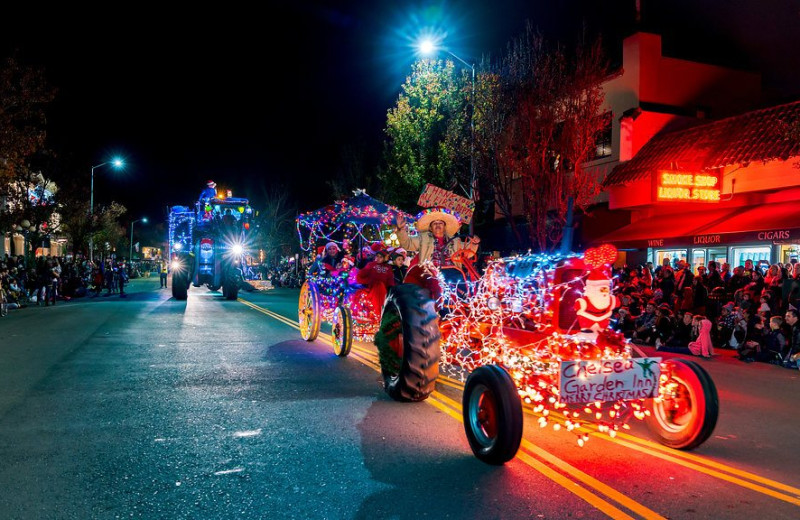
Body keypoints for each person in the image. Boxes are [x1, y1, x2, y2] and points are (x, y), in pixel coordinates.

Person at [395, 207, 479, 269]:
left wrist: (474, 243)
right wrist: (401, 229)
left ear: (444, 227)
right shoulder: (423, 238)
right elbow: (407, 243)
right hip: (430, 273)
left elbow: (468, 252)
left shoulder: (455, 240)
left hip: (453, 273)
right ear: (430, 228)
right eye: (435, 223)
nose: (438, 225)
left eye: (440, 223)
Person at [355, 245, 395, 312]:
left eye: (381, 257)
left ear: (385, 258)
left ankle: (380, 311)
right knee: (378, 287)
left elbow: (390, 279)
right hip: (371, 288)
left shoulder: (388, 268)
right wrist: (366, 282)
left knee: (380, 287)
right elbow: (362, 274)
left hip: (383, 289)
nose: (378, 258)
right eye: (377, 256)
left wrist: (390, 288)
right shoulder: (371, 265)